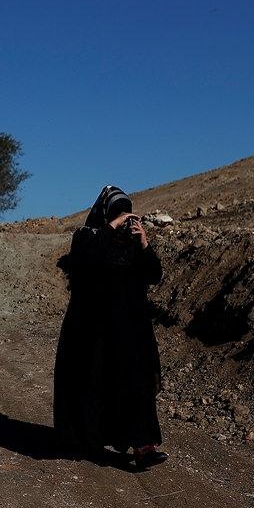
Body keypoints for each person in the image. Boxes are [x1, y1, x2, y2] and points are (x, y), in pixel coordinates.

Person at [53, 185, 167, 468]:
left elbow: (154, 274)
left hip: (131, 330)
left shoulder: (130, 245)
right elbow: (83, 260)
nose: (123, 217)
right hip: (94, 332)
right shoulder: (86, 238)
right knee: (94, 383)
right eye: (116, 211)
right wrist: (111, 226)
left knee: (137, 384)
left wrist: (144, 243)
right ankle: (87, 440)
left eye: (125, 211)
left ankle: (143, 447)